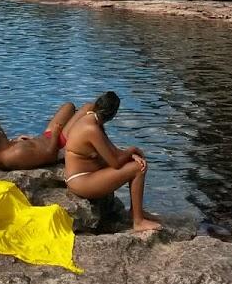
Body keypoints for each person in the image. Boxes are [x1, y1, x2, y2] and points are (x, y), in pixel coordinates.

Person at [62, 91, 160, 233]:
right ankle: (138, 221)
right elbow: (115, 162)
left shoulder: (91, 118)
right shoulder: (92, 129)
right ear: (113, 115)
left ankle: (136, 211)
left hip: (85, 175)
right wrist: (133, 150)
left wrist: (130, 155)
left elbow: (111, 151)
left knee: (134, 163)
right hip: (80, 181)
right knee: (138, 168)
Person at [0, 102, 77, 171]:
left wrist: (15, 141)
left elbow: (1, 147)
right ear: (1, 132)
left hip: (45, 138)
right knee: (85, 110)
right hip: (59, 145)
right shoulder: (17, 153)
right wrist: (55, 134)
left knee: (68, 106)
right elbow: (51, 156)